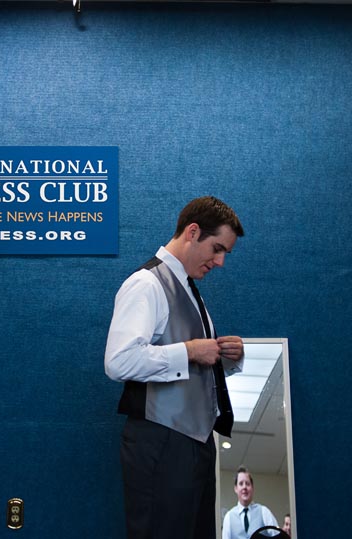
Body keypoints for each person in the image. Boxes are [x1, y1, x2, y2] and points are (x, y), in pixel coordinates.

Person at [105, 196, 246, 539]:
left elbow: (190, 366)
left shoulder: (192, 292)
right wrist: (190, 351)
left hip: (196, 447)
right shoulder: (146, 284)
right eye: (216, 248)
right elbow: (118, 361)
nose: (221, 261)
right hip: (162, 444)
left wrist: (224, 359)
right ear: (192, 232)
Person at [222, 466, 279, 539]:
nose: (244, 487)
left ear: (252, 487)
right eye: (241, 484)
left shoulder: (264, 512)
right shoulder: (229, 517)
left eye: (247, 484)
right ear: (236, 488)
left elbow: (278, 537)